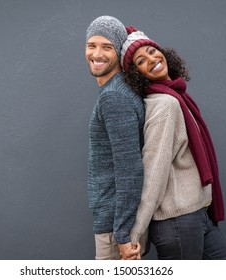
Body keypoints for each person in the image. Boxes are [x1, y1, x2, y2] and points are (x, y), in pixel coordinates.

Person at [118, 26, 226, 260]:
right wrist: (135, 233)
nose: (152, 60)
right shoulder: (166, 105)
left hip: (197, 216)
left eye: (152, 51)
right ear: (138, 74)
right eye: (141, 61)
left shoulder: (177, 96)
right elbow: (154, 170)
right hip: (177, 222)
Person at [84, 16, 148, 260]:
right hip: (116, 223)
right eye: (92, 45)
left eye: (107, 47)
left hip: (114, 227)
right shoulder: (118, 91)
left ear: (119, 52)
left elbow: (129, 169)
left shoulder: (115, 98)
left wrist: (122, 234)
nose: (97, 54)